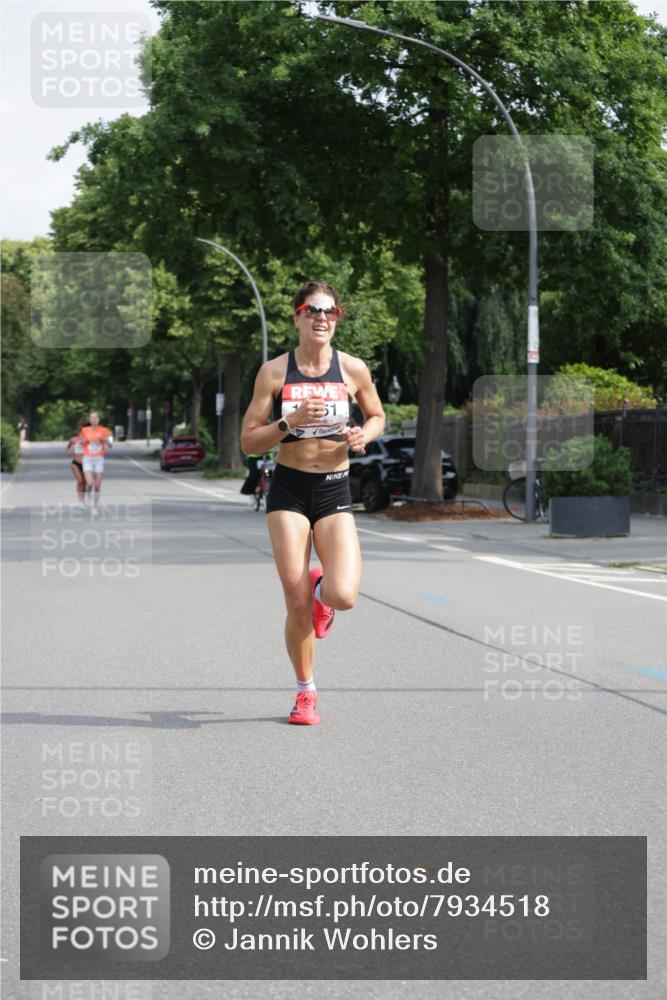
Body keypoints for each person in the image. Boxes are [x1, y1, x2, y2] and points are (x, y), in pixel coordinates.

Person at [240, 281, 385, 725]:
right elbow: (248, 441)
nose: (323, 318)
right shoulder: (275, 372)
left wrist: (365, 433)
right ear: (297, 316)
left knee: (343, 595)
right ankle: (306, 692)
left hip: (335, 487)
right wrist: (289, 421)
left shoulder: (354, 369)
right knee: (294, 597)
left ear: (337, 318)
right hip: (288, 490)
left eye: (331, 311)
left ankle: (323, 593)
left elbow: (377, 415)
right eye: (313, 310)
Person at [79, 411, 112, 516]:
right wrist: (86, 441)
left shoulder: (104, 430)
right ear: (89, 420)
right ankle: (88, 493)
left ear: (99, 420)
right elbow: (80, 443)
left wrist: (103, 440)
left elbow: (110, 445)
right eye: (92, 418)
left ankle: (94, 507)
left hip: (99, 459)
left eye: (96, 418)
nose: (94, 420)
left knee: (97, 486)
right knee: (90, 483)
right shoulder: (84, 430)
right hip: (88, 458)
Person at [66, 420, 89, 508]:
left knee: (85, 483)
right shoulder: (73, 439)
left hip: (87, 463)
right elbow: (67, 449)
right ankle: (80, 501)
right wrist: (70, 452)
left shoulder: (89, 440)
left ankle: (83, 500)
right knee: (80, 481)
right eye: (80, 430)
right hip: (75, 463)